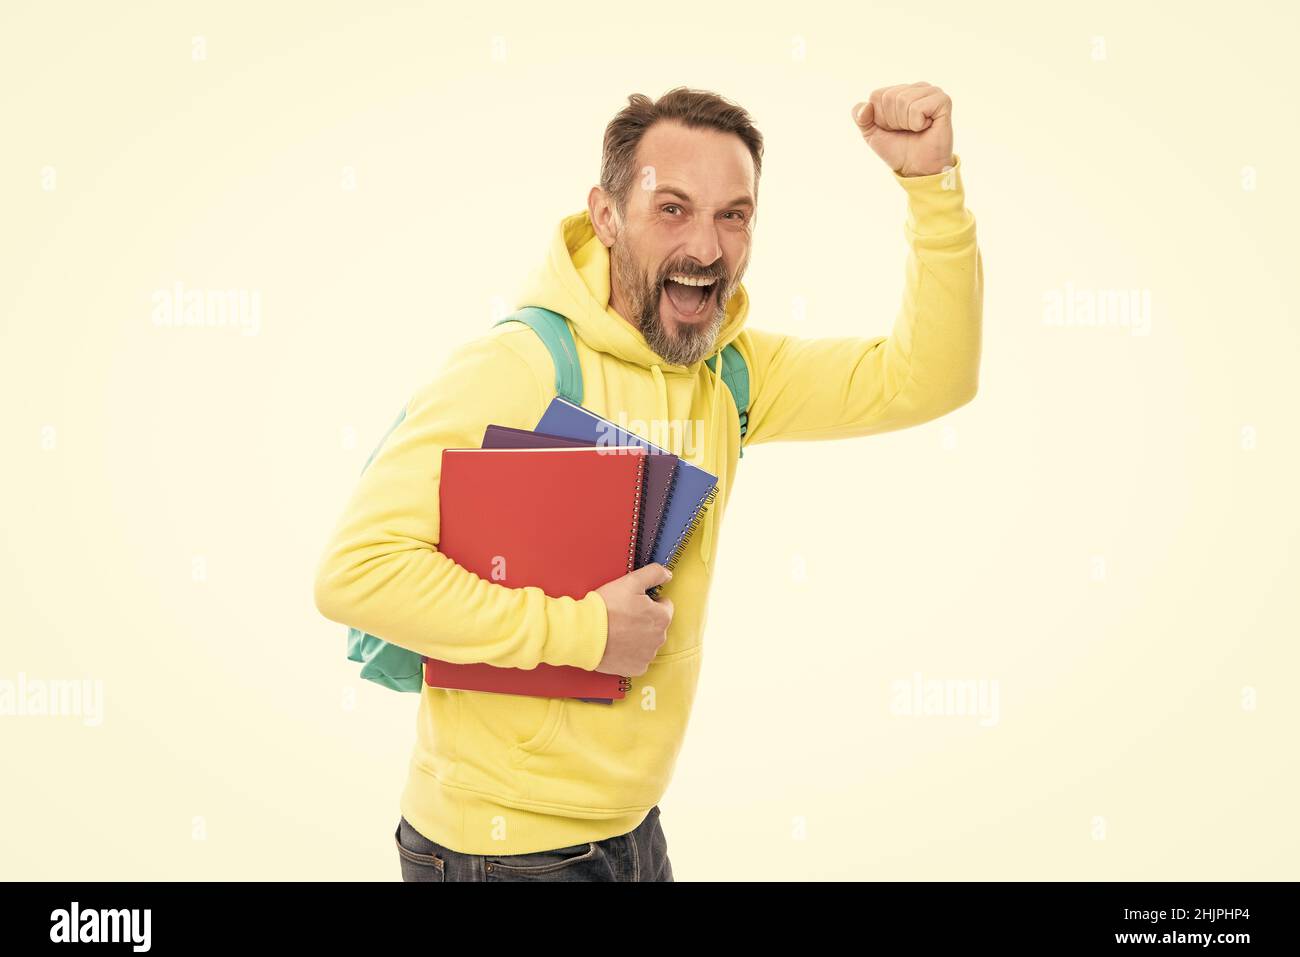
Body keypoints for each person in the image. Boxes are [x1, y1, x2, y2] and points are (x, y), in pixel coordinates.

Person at [314, 83, 982, 882]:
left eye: (733, 215)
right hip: (500, 852)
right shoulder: (521, 367)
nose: (706, 246)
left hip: (633, 834)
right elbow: (355, 574)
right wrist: (586, 633)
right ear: (606, 215)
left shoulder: (728, 375)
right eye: (672, 208)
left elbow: (929, 378)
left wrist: (932, 189)